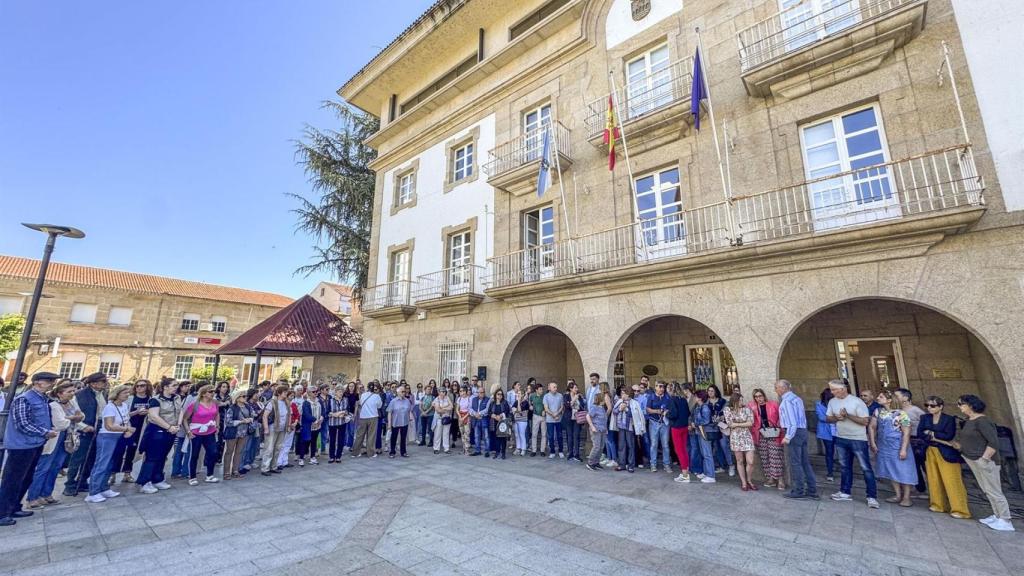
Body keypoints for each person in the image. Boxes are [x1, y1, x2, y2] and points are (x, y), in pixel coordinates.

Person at [0, 372, 59, 526]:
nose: (53, 383)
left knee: (25, 478)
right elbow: (22, 424)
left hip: (34, 444)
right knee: (12, 480)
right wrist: (45, 432)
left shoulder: (42, 398)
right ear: (38, 383)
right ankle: (2, 512)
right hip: (21, 446)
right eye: (49, 381)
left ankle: (14, 507)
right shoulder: (24, 399)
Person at [955, 395, 1013, 531]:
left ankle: (1005, 519)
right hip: (972, 458)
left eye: (961, 404)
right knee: (986, 489)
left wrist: (984, 459)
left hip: (985, 461)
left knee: (994, 490)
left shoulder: (982, 421)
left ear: (970, 405)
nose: (959, 406)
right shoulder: (970, 420)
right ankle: (997, 515)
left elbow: (993, 442)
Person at [26, 380, 83, 508]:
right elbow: (60, 423)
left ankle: (47, 494)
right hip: (54, 438)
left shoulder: (72, 403)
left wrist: (71, 418)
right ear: (60, 393)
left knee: (56, 466)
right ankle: (33, 497)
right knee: (44, 467)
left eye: (73, 391)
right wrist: (73, 418)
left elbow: (81, 415)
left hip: (66, 437)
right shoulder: (53, 405)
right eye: (69, 392)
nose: (72, 394)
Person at [826, 379, 878, 508]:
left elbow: (865, 421)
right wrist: (836, 418)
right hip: (841, 437)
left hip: (858, 439)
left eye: (834, 389)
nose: (832, 392)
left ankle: (871, 496)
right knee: (844, 466)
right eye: (831, 390)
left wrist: (848, 415)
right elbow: (828, 418)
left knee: (865, 468)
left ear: (843, 389)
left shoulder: (857, 401)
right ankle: (845, 492)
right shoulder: (832, 402)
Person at [917, 396, 969, 519]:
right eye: (927, 405)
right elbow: (920, 433)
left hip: (946, 451)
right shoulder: (924, 418)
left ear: (940, 407)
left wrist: (931, 433)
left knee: (951, 480)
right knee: (933, 478)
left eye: (932, 406)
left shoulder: (949, 419)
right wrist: (933, 436)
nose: (929, 408)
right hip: (930, 450)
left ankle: (960, 509)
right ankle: (938, 504)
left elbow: (949, 435)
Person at [85, 383, 135, 503]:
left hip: (119, 436)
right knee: (102, 463)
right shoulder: (110, 407)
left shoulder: (124, 405)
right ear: (117, 394)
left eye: (128, 393)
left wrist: (127, 428)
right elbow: (109, 425)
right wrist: (126, 429)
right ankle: (93, 491)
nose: (127, 395)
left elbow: (126, 419)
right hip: (107, 437)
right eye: (124, 393)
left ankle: (104, 487)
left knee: (110, 463)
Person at [62, 371, 108, 496]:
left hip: (96, 429)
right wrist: (83, 426)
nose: (106, 383)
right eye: (103, 381)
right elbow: (74, 413)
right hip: (84, 431)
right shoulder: (81, 395)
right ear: (93, 383)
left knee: (90, 458)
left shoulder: (101, 394)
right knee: (78, 459)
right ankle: (70, 484)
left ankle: (82, 481)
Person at [869, 390, 917, 507]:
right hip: (884, 444)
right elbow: (872, 426)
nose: (878, 398)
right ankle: (897, 494)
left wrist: (904, 449)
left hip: (898, 444)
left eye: (881, 396)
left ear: (889, 400)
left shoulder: (901, 413)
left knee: (903, 470)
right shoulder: (878, 411)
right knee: (891, 469)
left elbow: (906, 432)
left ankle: (906, 497)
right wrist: (872, 442)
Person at [136, 378, 182, 492]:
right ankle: (145, 481)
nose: (176, 387)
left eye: (176, 385)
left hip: (171, 430)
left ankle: (157, 479)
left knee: (162, 456)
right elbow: (154, 416)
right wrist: (168, 427)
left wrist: (178, 425)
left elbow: (180, 410)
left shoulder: (177, 398)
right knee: (152, 456)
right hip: (157, 430)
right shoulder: (156, 400)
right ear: (165, 387)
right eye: (173, 385)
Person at [776, 380, 817, 499]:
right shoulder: (797, 399)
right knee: (805, 462)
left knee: (795, 463)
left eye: (777, 387)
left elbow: (792, 422)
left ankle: (798, 490)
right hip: (802, 430)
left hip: (794, 433)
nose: (776, 390)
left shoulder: (787, 401)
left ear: (783, 388)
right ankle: (812, 489)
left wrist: (788, 436)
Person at [113, 380, 151, 484]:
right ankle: (113, 473)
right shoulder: (130, 399)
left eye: (142, 386)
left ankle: (127, 473)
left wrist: (148, 412)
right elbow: (124, 414)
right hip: (127, 427)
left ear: (147, 387)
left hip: (141, 428)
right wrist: (137, 412)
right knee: (119, 450)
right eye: (137, 386)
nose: (139, 388)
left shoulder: (151, 399)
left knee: (132, 451)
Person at [182, 384, 220, 485]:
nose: (213, 393)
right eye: (210, 391)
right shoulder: (195, 404)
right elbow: (185, 418)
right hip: (196, 432)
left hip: (210, 431)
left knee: (213, 452)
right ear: (203, 394)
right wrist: (188, 432)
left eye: (214, 391)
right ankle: (192, 477)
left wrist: (217, 426)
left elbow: (217, 414)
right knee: (194, 454)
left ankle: (210, 475)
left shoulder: (215, 402)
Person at [750, 388, 786, 492]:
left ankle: (780, 479)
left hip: (773, 433)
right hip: (760, 434)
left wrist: (778, 426)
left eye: (760, 396)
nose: (758, 398)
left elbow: (781, 417)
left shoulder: (773, 404)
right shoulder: (752, 406)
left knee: (776, 457)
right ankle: (770, 478)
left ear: (764, 395)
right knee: (764, 457)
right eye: (756, 397)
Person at [894, 388, 927, 495]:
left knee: (924, 466)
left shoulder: (915, 410)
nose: (895, 398)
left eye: (897, 396)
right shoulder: (898, 411)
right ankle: (919, 488)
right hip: (906, 441)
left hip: (917, 441)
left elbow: (926, 424)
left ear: (906, 398)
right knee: (914, 466)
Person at [722, 391, 756, 491]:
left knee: (751, 461)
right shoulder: (727, 409)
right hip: (736, 437)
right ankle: (744, 482)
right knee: (739, 461)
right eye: (740, 400)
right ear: (734, 401)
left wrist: (737, 424)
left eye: (742, 399)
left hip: (747, 436)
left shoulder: (747, 409)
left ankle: (749, 480)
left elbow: (751, 423)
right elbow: (730, 424)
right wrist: (743, 423)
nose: (742, 401)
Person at [222, 389, 254, 479]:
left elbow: (253, 415)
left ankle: (235, 470)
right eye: (243, 396)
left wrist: (250, 419)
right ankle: (226, 472)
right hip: (233, 432)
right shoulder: (232, 408)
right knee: (229, 452)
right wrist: (241, 421)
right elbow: (228, 422)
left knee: (239, 452)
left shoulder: (248, 407)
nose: (245, 398)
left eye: (246, 396)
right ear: (237, 398)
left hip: (244, 432)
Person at [260, 384, 291, 474]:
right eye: (284, 392)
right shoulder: (272, 402)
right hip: (272, 427)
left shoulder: (286, 403)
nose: (286, 394)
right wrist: (266, 428)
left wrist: (288, 426)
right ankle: (265, 468)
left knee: (278, 448)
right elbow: (265, 416)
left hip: (282, 428)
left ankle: (273, 466)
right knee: (269, 448)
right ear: (279, 393)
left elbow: (288, 415)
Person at [706, 384, 734, 476]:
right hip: (711, 427)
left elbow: (727, 412)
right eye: (709, 391)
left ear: (716, 391)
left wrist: (721, 417)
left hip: (722, 427)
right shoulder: (706, 402)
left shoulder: (723, 401)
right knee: (716, 447)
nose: (710, 393)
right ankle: (721, 466)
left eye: (712, 391)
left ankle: (731, 465)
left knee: (724, 445)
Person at [645, 381, 671, 474]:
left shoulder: (667, 397)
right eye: (659, 387)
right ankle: (653, 464)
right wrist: (657, 411)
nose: (661, 389)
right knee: (654, 444)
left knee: (665, 445)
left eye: (663, 387)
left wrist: (666, 411)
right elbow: (647, 409)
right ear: (655, 387)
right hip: (654, 422)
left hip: (664, 423)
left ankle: (666, 464)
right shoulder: (651, 397)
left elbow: (670, 407)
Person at [170, 380, 194, 479]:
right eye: (186, 386)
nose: (187, 388)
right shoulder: (179, 397)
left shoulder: (189, 397)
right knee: (178, 449)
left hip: (184, 426)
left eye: (189, 386)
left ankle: (183, 470)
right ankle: (176, 471)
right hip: (179, 427)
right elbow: (182, 412)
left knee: (184, 449)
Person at [614, 386, 641, 473]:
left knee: (631, 446)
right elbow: (614, 412)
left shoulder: (634, 403)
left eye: (623, 393)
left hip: (630, 427)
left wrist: (626, 409)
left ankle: (631, 465)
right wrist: (619, 408)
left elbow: (635, 415)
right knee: (621, 446)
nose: (621, 395)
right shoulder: (619, 401)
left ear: (628, 394)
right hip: (621, 427)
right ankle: (622, 464)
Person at [691, 390, 716, 483]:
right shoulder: (699, 406)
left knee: (707, 454)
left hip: (705, 432)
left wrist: (696, 424)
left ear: (700, 398)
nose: (694, 398)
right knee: (704, 453)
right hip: (700, 432)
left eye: (696, 396)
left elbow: (706, 420)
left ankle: (711, 475)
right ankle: (706, 472)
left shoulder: (704, 407)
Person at [352, 382, 382, 458]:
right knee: (371, 436)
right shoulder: (377, 396)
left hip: (363, 417)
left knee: (360, 435)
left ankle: (355, 452)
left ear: (367, 387)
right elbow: (379, 406)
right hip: (373, 417)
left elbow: (361, 403)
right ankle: (371, 453)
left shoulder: (363, 395)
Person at [815, 388, 837, 482]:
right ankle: (830, 472)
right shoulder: (819, 404)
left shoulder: (838, 403)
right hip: (826, 431)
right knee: (829, 452)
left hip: (839, 431)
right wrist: (837, 418)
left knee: (843, 452)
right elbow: (821, 417)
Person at [387, 385, 413, 458]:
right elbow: (389, 412)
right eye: (402, 391)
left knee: (403, 438)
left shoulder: (407, 400)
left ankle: (403, 452)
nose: (404, 393)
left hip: (404, 422)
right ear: (398, 392)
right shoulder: (393, 401)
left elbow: (409, 410)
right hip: (395, 422)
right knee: (394, 437)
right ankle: (392, 452)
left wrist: (410, 418)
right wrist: (389, 424)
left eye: (404, 391)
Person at [585, 390, 609, 471]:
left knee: (601, 447)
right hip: (596, 430)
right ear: (601, 399)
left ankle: (596, 462)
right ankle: (590, 462)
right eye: (604, 398)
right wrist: (592, 427)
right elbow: (588, 416)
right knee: (596, 446)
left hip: (602, 430)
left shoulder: (602, 408)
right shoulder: (594, 407)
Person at [327, 385, 350, 463]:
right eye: (339, 391)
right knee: (332, 440)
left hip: (342, 422)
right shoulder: (330, 400)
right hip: (332, 423)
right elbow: (327, 412)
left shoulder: (345, 400)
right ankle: (331, 456)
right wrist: (335, 414)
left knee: (341, 440)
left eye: (342, 392)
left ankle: (338, 456)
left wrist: (343, 413)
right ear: (335, 392)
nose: (341, 393)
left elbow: (347, 410)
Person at [564, 382, 585, 462]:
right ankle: (570, 454)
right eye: (575, 388)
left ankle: (576, 455)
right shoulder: (566, 396)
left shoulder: (579, 396)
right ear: (571, 389)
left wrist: (579, 399)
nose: (577, 389)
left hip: (577, 419)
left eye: (577, 388)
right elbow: (567, 406)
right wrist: (574, 399)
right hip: (569, 418)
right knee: (570, 436)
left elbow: (582, 405)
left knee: (576, 436)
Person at [543, 382, 564, 459]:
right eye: (554, 387)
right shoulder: (546, 396)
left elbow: (562, 407)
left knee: (560, 436)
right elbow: (546, 408)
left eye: (556, 387)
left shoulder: (560, 395)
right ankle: (552, 451)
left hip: (558, 419)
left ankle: (561, 451)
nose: (556, 388)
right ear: (549, 388)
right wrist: (553, 415)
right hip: (549, 420)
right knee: (551, 436)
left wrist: (557, 414)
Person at [489, 389, 512, 459]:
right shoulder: (492, 403)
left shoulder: (505, 402)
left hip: (502, 423)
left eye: (501, 394)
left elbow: (507, 411)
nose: (500, 396)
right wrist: (493, 415)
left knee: (503, 438)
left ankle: (503, 453)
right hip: (494, 422)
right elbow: (489, 411)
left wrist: (501, 415)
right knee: (496, 438)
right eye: (498, 394)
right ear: (495, 395)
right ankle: (497, 452)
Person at [432, 386, 454, 454]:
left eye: (445, 391)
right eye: (442, 391)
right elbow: (438, 410)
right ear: (439, 392)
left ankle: (446, 448)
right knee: (437, 434)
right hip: (439, 419)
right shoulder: (436, 399)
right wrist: (447, 408)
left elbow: (452, 407)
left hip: (447, 418)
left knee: (446, 434)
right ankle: (436, 448)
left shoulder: (447, 398)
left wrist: (443, 408)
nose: (444, 393)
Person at [469, 385, 490, 456]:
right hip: (475, 419)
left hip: (484, 419)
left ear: (484, 393)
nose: (481, 394)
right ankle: (477, 450)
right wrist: (475, 414)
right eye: (479, 392)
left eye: (482, 392)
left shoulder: (488, 399)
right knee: (476, 436)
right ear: (477, 393)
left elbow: (487, 410)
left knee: (486, 436)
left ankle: (487, 451)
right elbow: (470, 408)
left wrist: (479, 414)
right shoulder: (474, 399)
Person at [529, 382, 546, 457]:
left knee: (544, 434)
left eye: (542, 389)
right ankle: (534, 450)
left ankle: (542, 450)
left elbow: (547, 405)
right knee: (534, 434)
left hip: (543, 416)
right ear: (536, 390)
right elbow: (530, 404)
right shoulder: (532, 396)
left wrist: (545, 411)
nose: (541, 390)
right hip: (535, 416)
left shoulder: (544, 396)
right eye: (540, 389)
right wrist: (530, 407)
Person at [512, 386, 530, 456]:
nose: (518, 395)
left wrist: (519, 402)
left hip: (523, 421)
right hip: (516, 420)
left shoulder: (525, 403)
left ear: (523, 394)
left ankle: (523, 449)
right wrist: (517, 410)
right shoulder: (515, 402)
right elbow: (513, 409)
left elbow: (519, 410)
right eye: (517, 393)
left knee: (522, 434)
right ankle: (518, 448)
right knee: (517, 435)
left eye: (519, 393)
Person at [418, 382, 435, 447]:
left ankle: (431, 441)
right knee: (423, 428)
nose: (429, 390)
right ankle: (423, 440)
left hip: (430, 414)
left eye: (430, 389)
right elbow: (420, 406)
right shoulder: (423, 397)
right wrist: (423, 412)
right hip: (423, 415)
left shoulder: (433, 397)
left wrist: (426, 412)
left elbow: (432, 406)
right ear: (425, 390)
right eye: (427, 389)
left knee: (430, 428)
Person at [456, 386, 472, 455]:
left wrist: (464, 417)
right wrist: (460, 417)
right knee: (462, 433)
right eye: (460, 391)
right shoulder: (459, 399)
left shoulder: (469, 399)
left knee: (467, 433)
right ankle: (463, 449)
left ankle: (467, 449)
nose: (461, 392)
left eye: (462, 391)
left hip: (467, 417)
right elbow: (457, 409)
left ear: (465, 391)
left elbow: (470, 410)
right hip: (460, 417)